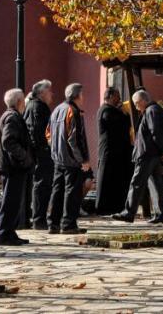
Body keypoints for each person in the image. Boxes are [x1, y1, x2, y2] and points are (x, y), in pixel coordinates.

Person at [113, 89, 163, 224]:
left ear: (143, 100)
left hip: (147, 153)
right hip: (153, 153)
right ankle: (160, 214)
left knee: (136, 183)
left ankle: (129, 212)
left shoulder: (151, 111)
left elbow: (155, 133)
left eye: (136, 103)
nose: (135, 106)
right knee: (155, 183)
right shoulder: (157, 110)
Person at [48, 82, 92, 234]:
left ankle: (53, 223)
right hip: (72, 160)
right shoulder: (73, 111)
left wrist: (55, 151)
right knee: (71, 192)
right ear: (78, 95)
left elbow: (48, 134)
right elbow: (75, 139)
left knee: (57, 191)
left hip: (58, 158)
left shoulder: (56, 110)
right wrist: (83, 160)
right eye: (82, 94)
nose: (83, 97)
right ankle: (68, 224)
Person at [0, 87, 34, 245]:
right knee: (10, 201)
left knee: (14, 201)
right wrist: (24, 157)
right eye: (23, 99)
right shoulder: (12, 117)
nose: (24, 102)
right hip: (13, 167)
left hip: (13, 166)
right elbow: (8, 141)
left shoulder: (11, 115)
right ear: (19, 101)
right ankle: (4, 234)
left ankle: (9, 232)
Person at [23, 79, 55, 229]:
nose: (52, 94)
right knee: (42, 186)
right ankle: (39, 219)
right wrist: (46, 148)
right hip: (41, 154)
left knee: (41, 186)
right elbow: (38, 131)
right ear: (42, 93)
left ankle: (38, 218)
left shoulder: (33, 105)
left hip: (38, 153)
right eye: (49, 91)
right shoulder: (38, 107)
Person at [95, 87, 132, 215]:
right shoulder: (106, 111)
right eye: (117, 96)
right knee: (107, 179)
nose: (119, 98)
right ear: (110, 97)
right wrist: (124, 114)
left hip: (116, 152)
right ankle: (105, 207)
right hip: (109, 151)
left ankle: (116, 206)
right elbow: (121, 123)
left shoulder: (111, 110)